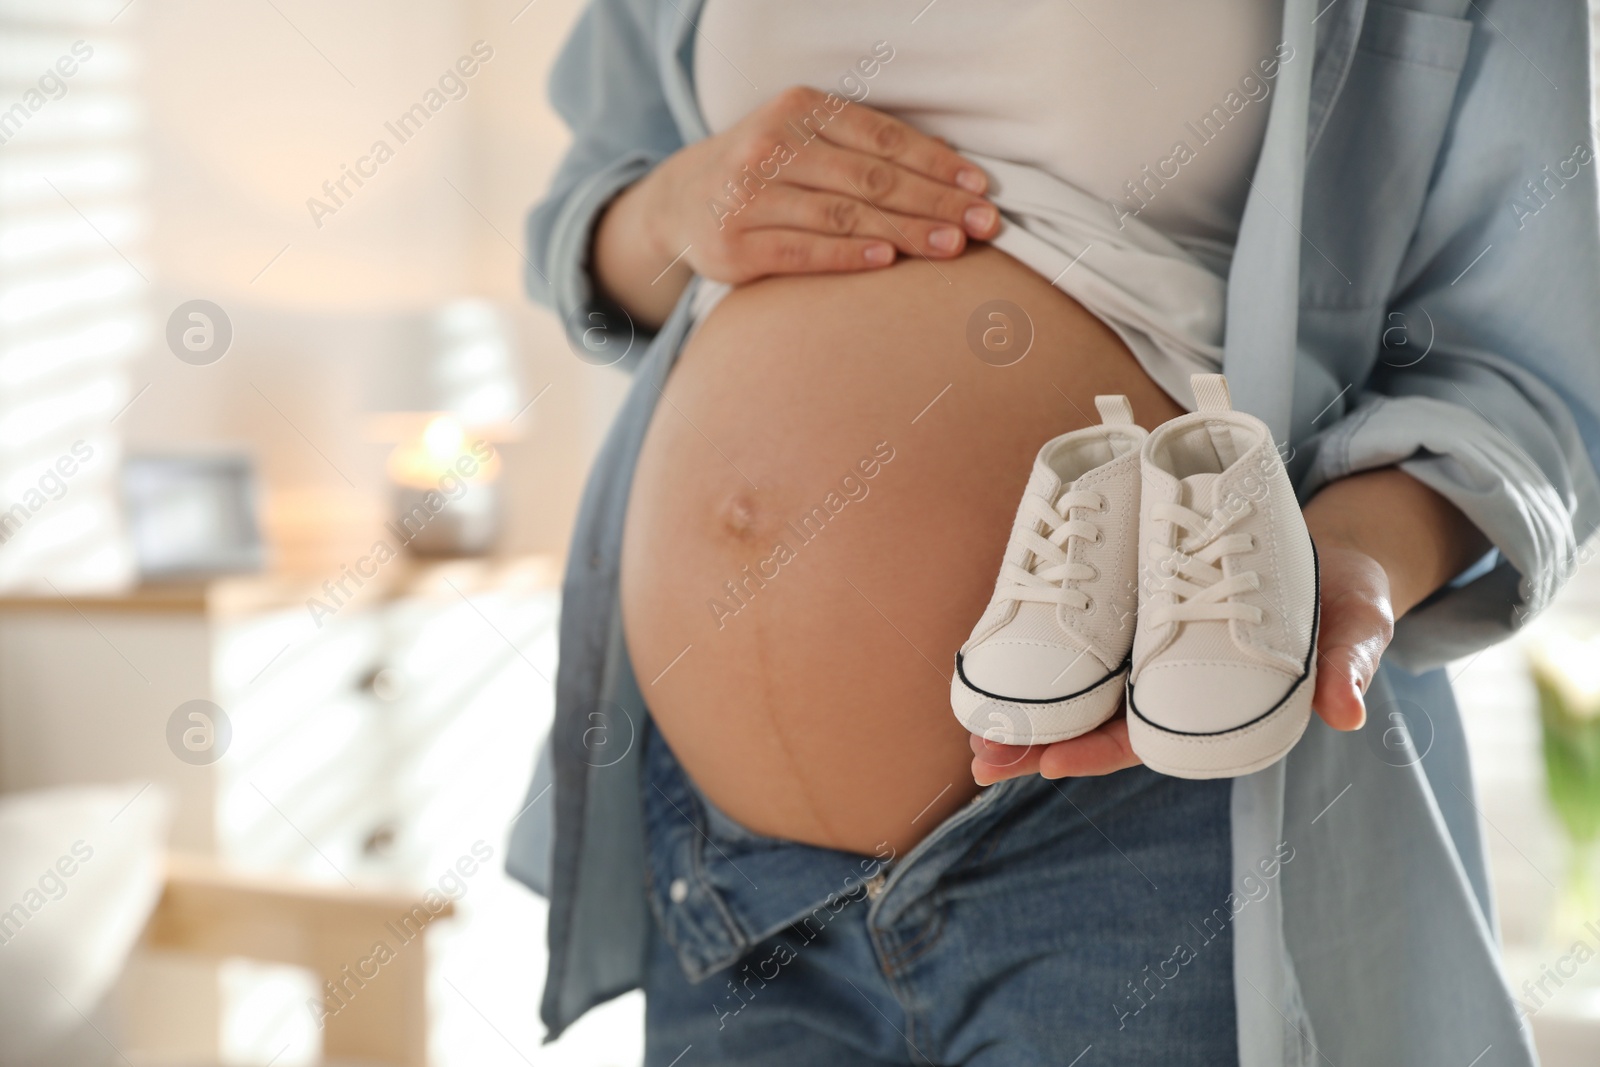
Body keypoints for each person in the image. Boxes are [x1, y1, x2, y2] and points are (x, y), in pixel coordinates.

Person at [507, 1, 1600, 1063]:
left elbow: (1527, 372)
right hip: (727, 862)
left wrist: (1343, 566)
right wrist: (666, 211)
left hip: (1153, 820)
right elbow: (592, 216)